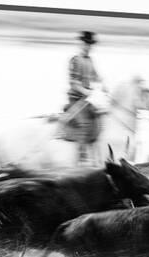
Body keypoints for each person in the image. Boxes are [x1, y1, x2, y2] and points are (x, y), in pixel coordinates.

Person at [62, 31, 104, 165]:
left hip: (87, 100)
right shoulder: (75, 60)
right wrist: (85, 91)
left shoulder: (90, 60)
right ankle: (82, 156)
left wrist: (104, 85)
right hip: (75, 100)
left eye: (90, 44)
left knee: (99, 117)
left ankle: (98, 153)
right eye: (86, 44)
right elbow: (73, 83)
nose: (88, 47)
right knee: (84, 124)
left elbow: (96, 76)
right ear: (81, 44)